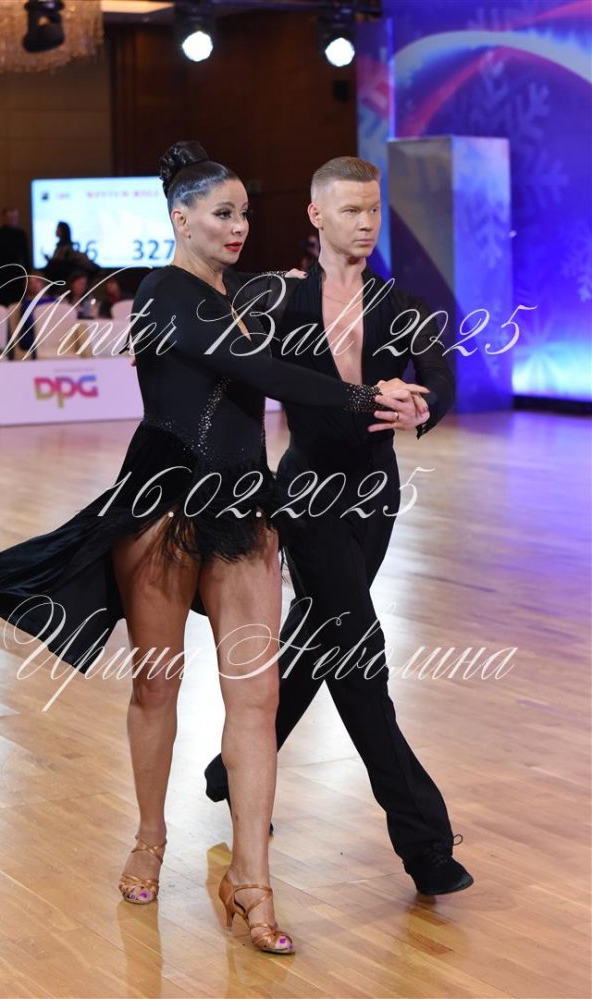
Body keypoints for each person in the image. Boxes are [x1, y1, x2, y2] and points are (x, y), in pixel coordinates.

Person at [0, 142, 416, 954]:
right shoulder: (162, 293)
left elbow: (324, 341)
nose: (239, 226)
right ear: (181, 218)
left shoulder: (255, 294)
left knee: (258, 699)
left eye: (244, 213)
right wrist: (358, 396)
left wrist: (395, 384)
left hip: (244, 506)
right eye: (222, 213)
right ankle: (149, 836)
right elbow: (256, 368)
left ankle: (253, 880)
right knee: (157, 686)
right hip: (164, 506)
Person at [205, 156, 474, 897]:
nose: (366, 222)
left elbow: (441, 372)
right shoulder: (279, 300)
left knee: (319, 637)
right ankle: (424, 841)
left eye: (374, 209)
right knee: (359, 652)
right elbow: (233, 377)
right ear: (316, 215)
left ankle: (231, 769)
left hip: (375, 495)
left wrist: (424, 403)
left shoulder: (399, 302)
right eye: (351, 210)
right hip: (308, 494)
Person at [0, 207, 31, 307]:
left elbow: (26, 256)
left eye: (15, 218)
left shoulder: (21, 234)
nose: (13, 220)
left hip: (18, 275)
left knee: (18, 305)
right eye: (10, 218)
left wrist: (28, 276)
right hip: (1, 275)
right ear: (4, 218)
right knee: (1, 305)